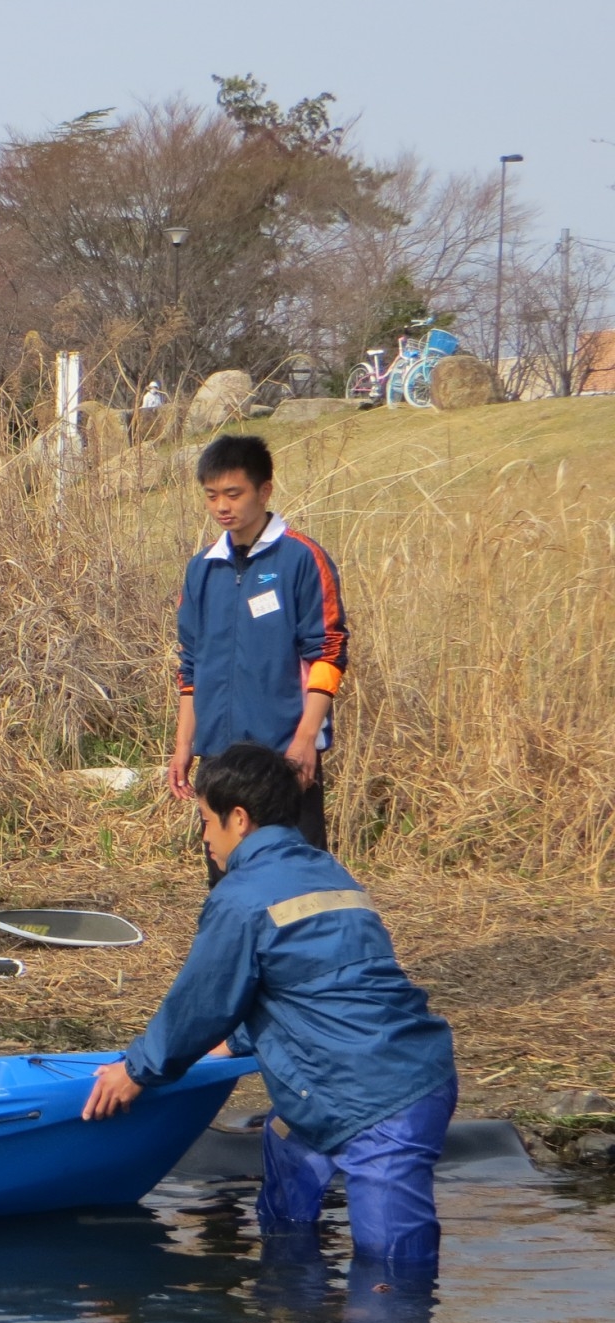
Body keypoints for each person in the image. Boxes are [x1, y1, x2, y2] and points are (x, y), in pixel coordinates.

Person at [84, 743, 458, 1270]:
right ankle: (289, 1297)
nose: (204, 838)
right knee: (283, 1157)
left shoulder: (241, 896)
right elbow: (315, 986)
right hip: (397, 1070)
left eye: (206, 821)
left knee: (392, 1273)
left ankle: (359, 1308)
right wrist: (234, 1043)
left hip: (380, 1102)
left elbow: (203, 1002)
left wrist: (136, 1070)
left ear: (238, 819)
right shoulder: (329, 870)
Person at [169, 433, 349, 882]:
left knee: (295, 884)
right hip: (218, 758)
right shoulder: (201, 568)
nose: (221, 507)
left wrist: (305, 739)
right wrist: (183, 746)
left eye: (233, 494)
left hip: (283, 756)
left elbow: (328, 653)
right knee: (228, 884)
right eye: (211, 495)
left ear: (264, 490)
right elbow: (191, 666)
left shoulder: (301, 558)